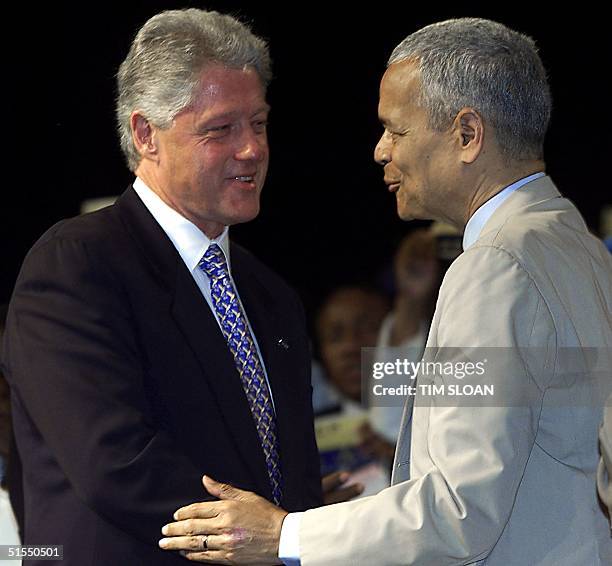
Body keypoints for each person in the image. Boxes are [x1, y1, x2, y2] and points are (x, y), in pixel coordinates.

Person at [157, 18, 612, 565]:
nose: (379, 151)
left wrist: (286, 535)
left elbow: (458, 510)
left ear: (467, 135)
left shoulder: (496, 266)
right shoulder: (577, 246)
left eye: (395, 129)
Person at [1, 9, 324, 565]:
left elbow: (291, 470)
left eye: (260, 124)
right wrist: (275, 533)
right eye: (221, 130)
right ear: (145, 134)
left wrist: (302, 530)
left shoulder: (270, 294)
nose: (252, 149)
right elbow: (115, 463)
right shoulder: (76, 265)